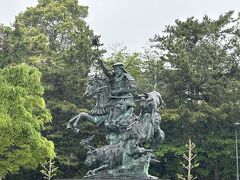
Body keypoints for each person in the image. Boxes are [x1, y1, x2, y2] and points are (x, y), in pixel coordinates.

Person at [97, 60, 137, 130]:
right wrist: (102, 65)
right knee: (105, 106)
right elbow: (107, 73)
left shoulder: (127, 78)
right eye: (114, 69)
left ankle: (115, 123)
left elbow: (130, 89)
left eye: (116, 69)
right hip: (114, 98)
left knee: (118, 107)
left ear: (121, 69)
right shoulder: (113, 77)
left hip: (125, 99)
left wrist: (118, 91)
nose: (115, 71)